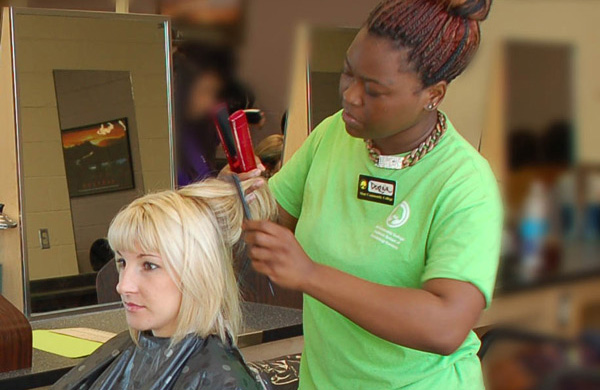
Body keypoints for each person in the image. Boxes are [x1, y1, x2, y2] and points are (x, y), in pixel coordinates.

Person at [243, 0, 503, 389]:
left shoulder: (464, 184)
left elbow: (446, 325)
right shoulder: (333, 136)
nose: (351, 95)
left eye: (375, 90)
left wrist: (311, 275)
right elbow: (270, 220)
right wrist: (239, 192)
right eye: (349, 73)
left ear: (432, 94)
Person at [51, 177, 277, 390]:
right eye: (122, 261)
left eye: (149, 265)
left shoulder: (220, 380)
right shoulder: (127, 349)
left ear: (199, 273)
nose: (123, 286)